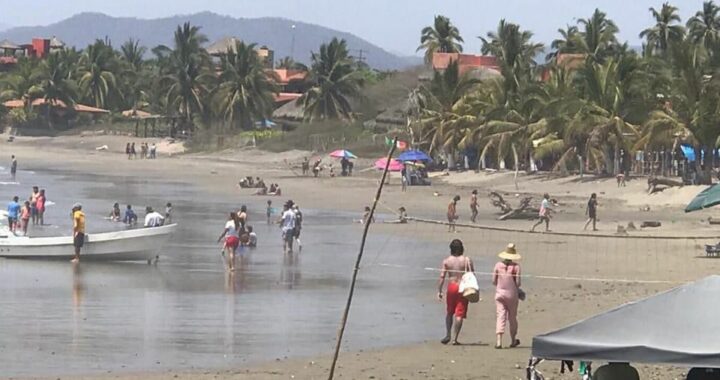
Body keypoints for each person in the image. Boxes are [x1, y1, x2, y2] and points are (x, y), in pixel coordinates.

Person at [437, 239, 474, 345]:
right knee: (459, 313)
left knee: (449, 312)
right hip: (463, 286)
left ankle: (448, 334)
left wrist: (439, 290)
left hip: (452, 287)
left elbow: (442, 277)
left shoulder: (447, 261)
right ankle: (455, 338)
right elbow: (472, 275)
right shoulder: (467, 260)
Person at [492, 243, 522, 349]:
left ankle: (499, 341)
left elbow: (494, 281)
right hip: (512, 294)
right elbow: (518, 283)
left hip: (500, 293)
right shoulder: (516, 267)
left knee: (500, 316)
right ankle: (513, 340)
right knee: (512, 317)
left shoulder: (498, 265)